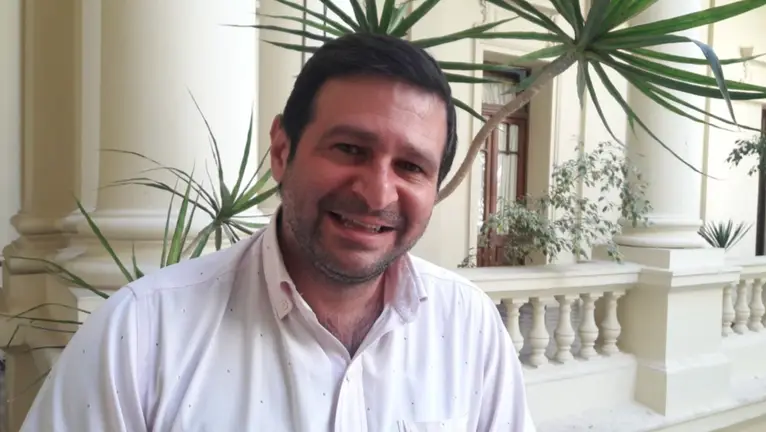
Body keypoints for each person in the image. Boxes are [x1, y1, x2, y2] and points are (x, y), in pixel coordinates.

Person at [21, 33, 536, 431]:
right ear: (282, 150)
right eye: (350, 149)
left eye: (410, 166)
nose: (377, 194)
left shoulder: (469, 326)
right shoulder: (139, 335)